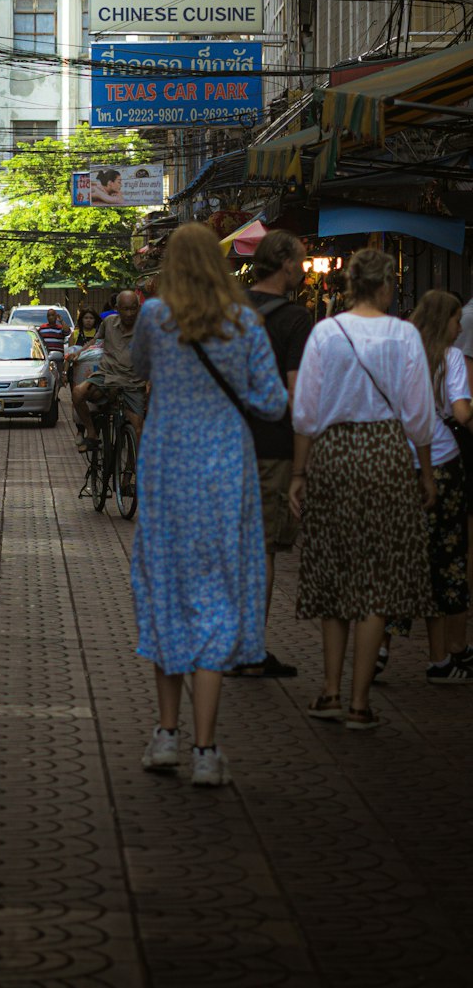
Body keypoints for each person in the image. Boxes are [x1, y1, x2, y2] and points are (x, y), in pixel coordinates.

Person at [129, 224, 288, 787]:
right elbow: (272, 402)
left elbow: (139, 369)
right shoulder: (246, 322)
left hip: (168, 467)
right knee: (218, 595)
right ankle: (205, 749)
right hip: (225, 471)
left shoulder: (153, 317)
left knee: (169, 590)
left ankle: (166, 735)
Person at [291, 248, 436, 732]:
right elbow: (419, 415)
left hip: (332, 454)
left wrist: (299, 473)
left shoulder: (326, 333)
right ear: (387, 286)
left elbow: (306, 411)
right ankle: (359, 703)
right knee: (377, 577)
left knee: (333, 571)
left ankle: (329, 692)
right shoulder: (405, 334)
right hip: (388, 455)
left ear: (349, 284)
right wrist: (427, 470)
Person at [230, 230, 313, 679]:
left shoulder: (229, 308)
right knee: (261, 549)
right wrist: (302, 467)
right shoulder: (295, 321)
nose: (303, 268)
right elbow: (298, 395)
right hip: (272, 447)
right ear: (283, 263)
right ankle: (249, 649)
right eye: (300, 260)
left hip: (222, 444)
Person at [402, 291, 473, 683]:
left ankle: (380, 646)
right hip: (441, 465)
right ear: (441, 321)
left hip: (399, 465)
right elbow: (461, 412)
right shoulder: (450, 359)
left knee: (403, 557)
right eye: (454, 320)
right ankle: (447, 653)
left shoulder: (403, 356)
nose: (459, 327)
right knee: (447, 560)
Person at [72, 290, 145, 451]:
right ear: (117, 308)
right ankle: (91, 434)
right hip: (106, 376)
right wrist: (78, 352)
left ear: (138, 308)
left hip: (133, 381)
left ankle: (133, 469)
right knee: (78, 392)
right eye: (125, 309)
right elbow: (95, 340)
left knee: (138, 429)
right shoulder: (109, 322)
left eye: (133, 308)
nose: (129, 313)